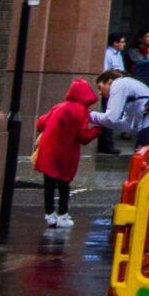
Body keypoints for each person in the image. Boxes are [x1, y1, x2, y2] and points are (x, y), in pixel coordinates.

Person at [34, 77, 103, 229]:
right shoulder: (81, 111)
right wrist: (97, 130)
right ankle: (63, 214)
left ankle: (50, 214)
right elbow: (82, 137)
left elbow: (40, 124)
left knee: (49, 184)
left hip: (49, 150)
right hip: (66, 152)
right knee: (64, 184)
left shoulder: (59, 106)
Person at [93, 64, 149, 147]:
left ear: (109, 81)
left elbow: (111, 118)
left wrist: (90, 115)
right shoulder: (132, 85)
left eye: (100, 87)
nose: (99, 93)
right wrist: (99, 120)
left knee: (143, 161)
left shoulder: (119, 83)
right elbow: (127, 125)